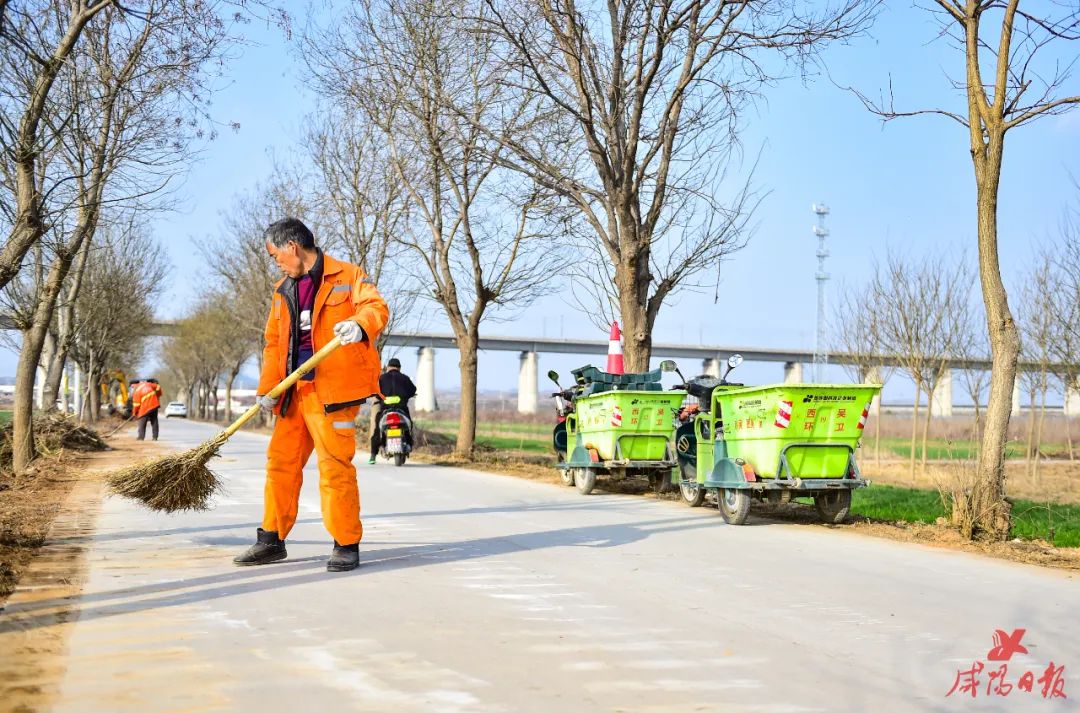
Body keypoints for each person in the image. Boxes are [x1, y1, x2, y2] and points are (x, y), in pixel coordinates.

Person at [234, 217, 389, 573]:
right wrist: (267, 390)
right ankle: (271, 540)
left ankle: (345, 543)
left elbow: (376, 307)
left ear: (292, 247)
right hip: (293, 392)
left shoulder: (347, 275)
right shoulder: (281, 290)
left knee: (335, 467)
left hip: (333, 392)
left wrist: (359, 324)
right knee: (280, 464)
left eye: (275, 255)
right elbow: (273, 344)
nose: (275, 262)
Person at [368, 357, 417, 464]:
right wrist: (407, 396)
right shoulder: (405, 378)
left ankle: (372, 456)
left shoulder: (381, 378)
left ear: (388, 367)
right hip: (401, 409)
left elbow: (375, 391)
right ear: (399, 368)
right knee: (408, 426)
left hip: (385, 409)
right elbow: (413, 390)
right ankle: (408, 444)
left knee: (378, 430)